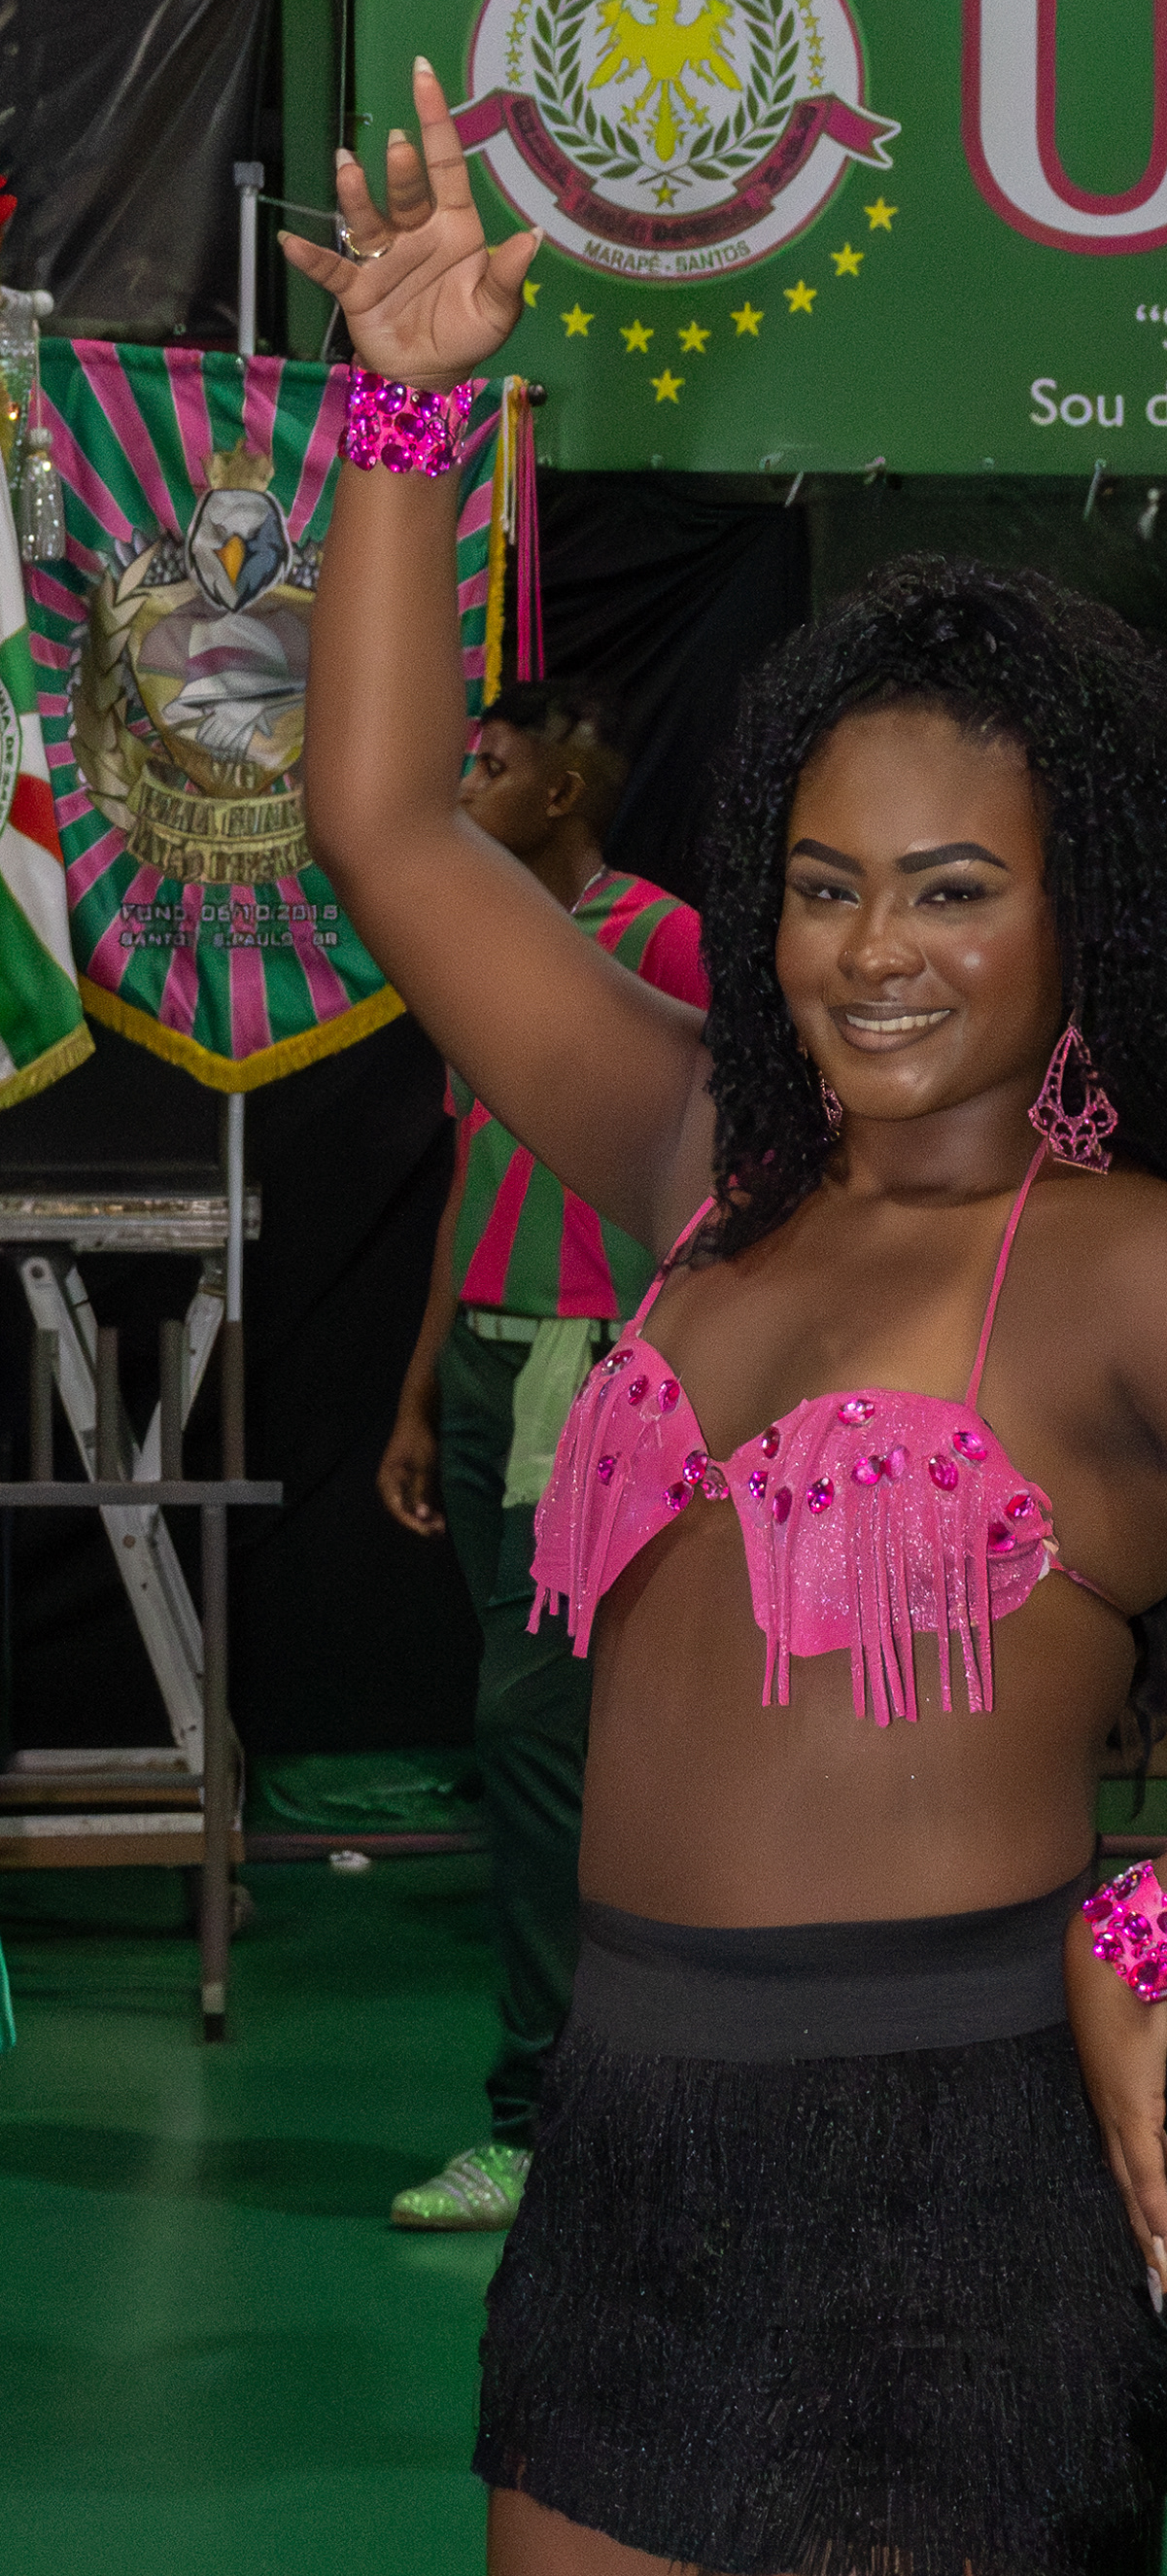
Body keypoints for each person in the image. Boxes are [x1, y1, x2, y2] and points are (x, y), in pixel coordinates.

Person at [283, 80, 1167, 2576]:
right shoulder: (698, 1168)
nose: (873, 949)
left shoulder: (1144, 1278)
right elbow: (391, 826)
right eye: (824, 881)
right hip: (624, 2162)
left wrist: (1156, 1927)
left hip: (949, 2194)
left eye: (955, 888)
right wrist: (408, 409)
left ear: (1079, 917)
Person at [378, 681, 708, 2228]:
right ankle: (607, 2096)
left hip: (596, 1375)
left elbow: (724, 1169)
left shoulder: (663, 940)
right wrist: (419, 1387)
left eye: (493, 765)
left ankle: (547, 2121)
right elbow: (471, 1175)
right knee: (551, 1743)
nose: (466, 783)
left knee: (533, 1725)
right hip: (487, 1373)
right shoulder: (483, 950)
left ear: (564, 789)